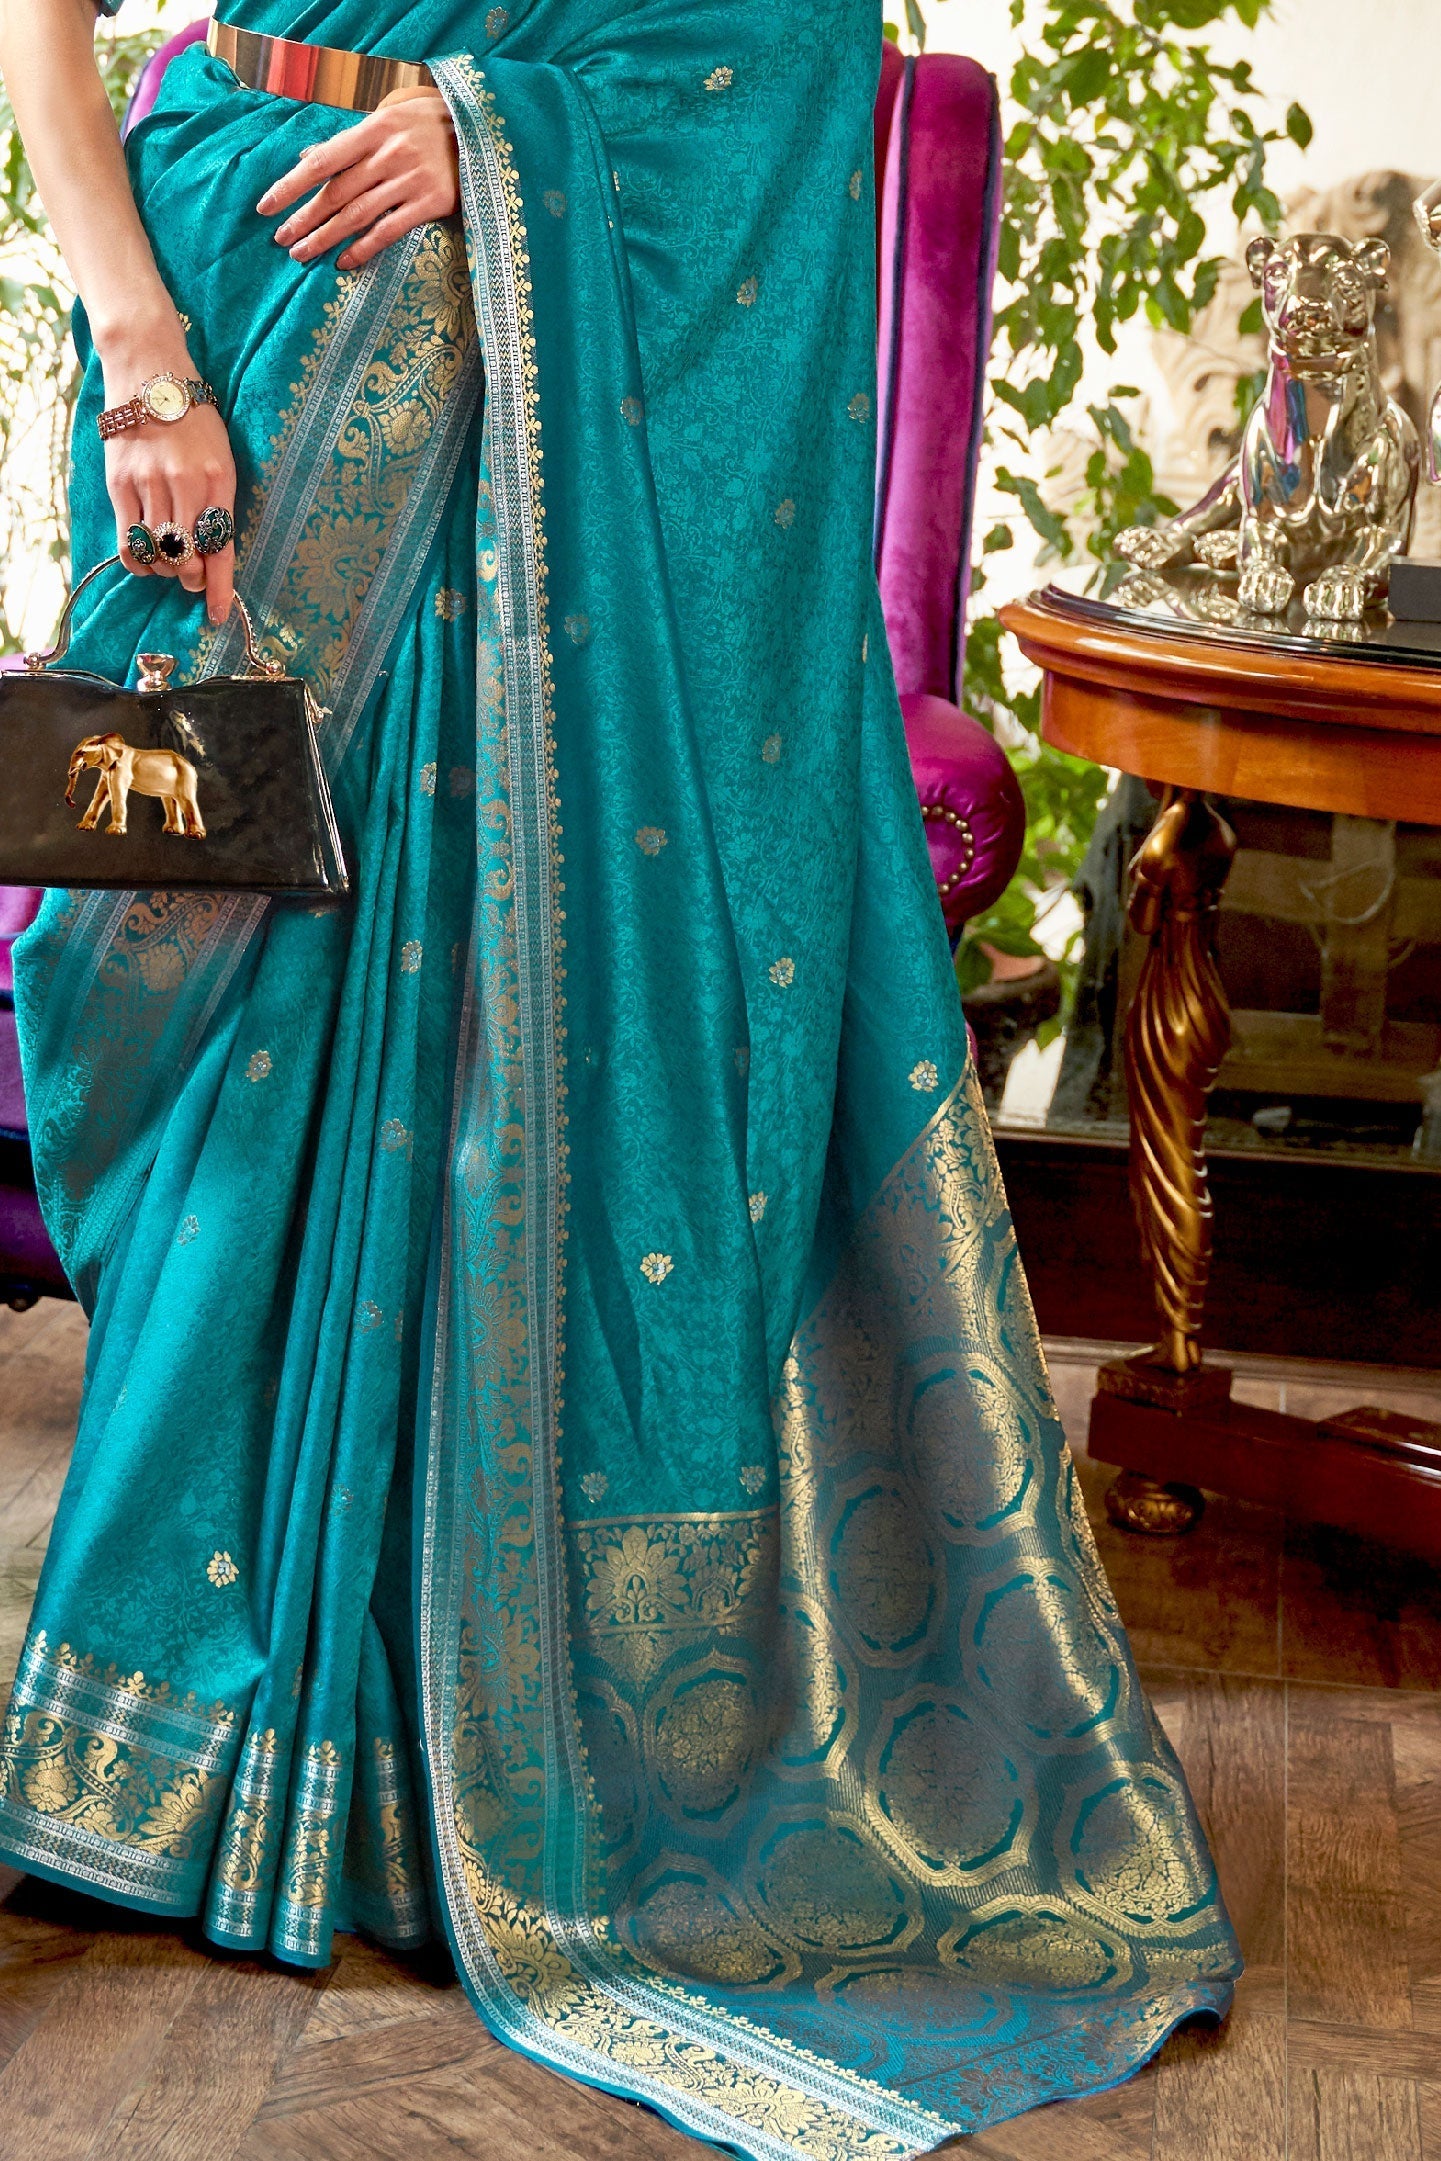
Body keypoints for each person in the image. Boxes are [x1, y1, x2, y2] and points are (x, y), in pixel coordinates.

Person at [0, 2, 1241, 2149]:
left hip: (519, 376)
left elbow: (775, 55)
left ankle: (418, 1767)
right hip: (227, 331)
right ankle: (181, 1739)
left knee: (468, 1052)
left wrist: (505, 149)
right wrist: (135, 349)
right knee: (219, 998)